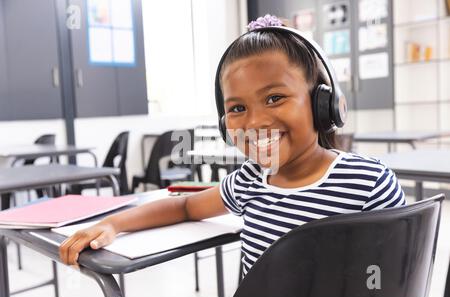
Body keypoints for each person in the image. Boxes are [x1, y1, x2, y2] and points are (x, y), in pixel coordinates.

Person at [59, 15, 406, 277]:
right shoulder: (251, 179)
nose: (254, 123)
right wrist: (113, 224)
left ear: (323, 103)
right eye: (237, 108)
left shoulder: (368, 182)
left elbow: (395, 279)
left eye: (274, 97)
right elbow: (184, 207)